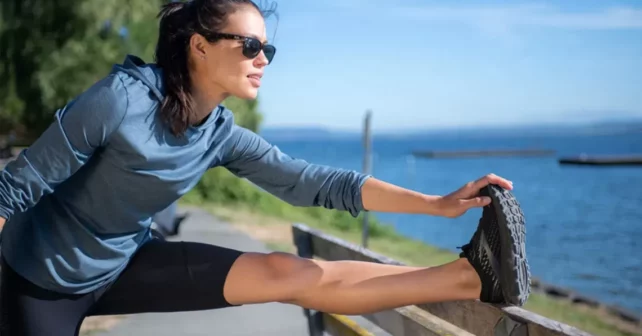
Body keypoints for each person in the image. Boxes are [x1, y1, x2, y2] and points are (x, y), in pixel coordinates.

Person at [0, 1, 529, 335]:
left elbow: (314, 183)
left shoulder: (219, 133)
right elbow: (13, 190)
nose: (263, 59)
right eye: (249, 45)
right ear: (200, 47)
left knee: (286, 272)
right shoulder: (120, 100)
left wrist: (437, 206)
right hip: (37, 280)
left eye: (267, 48)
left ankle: (465, 279)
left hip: (123, 261)